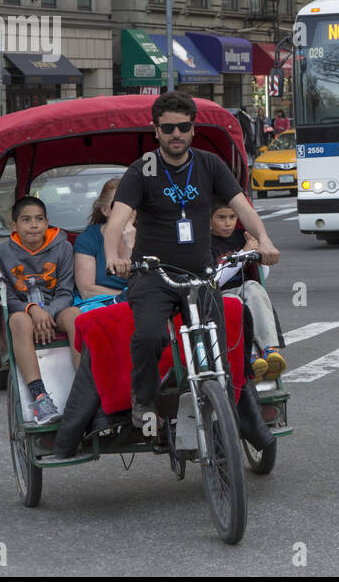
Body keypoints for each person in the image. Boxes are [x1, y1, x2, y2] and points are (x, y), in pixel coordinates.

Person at [102, 91, 281, 454]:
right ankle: (146, 401)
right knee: (150, 334)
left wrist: (263, 240)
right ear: (156, 131)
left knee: (228, 333)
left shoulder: (210, 165)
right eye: (167, 128)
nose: (175, 134)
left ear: (192, 129)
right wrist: (113, 255)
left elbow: (242, 207)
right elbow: (116, 221)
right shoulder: (141, 170)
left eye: (183, 127)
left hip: (199, 275)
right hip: (153, 275)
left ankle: (239, 411)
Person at [0, 196, 81, 424]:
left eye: (39, 219)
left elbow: (65, 292)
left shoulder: (62, 247)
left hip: (55, 310)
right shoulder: (2, 252)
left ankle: (85, 392)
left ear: (47, 222)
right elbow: (7, 296)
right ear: (14, 226)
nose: (34, 225)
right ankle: (40, 398)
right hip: (23, 312)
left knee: (76, 316)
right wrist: (33, 310)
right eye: (26, 220)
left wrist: (47, 314)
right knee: (19, 322)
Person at [211, 201, 286, 380]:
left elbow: (262, 275)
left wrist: (259, 254)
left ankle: (269, 350)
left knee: (254, 288)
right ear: (210, 219)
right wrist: (243, 254)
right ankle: (251, 355)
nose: (228, 223)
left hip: (245, 289)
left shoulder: (242, 236)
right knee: (235, 305)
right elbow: (215, 280)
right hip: (221, 294)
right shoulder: (206, 243)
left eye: (232, 217)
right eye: (221, 218)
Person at [74, 178, 133, 304]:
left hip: (139, 304)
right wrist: (124, 296)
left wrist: (130, 245)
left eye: (130, 203)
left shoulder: (148, 236)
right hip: (99, 303)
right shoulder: (88, 238)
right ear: (105, 210)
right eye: (117, 205)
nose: (125, 210)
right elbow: (86, 290)